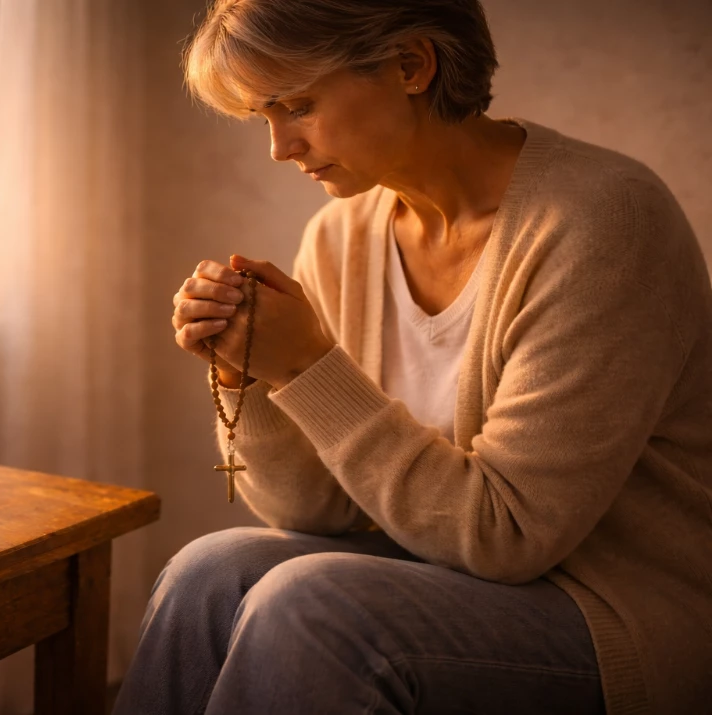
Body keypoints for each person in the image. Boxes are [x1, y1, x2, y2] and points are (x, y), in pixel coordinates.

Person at [115, 1, 712, 714]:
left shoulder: (602, 221)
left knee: (313, 607)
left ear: (411, 65)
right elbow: (316, 510)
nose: (278, 148)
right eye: (261, 118)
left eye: (297, 105)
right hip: (444, 568)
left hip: (619, 603)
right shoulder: (341, 237)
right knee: (208, 569)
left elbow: (510, 534)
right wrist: (252, 369)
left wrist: (309, 367)